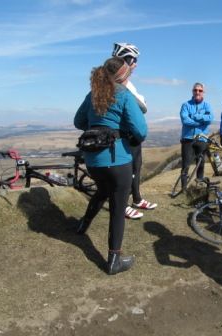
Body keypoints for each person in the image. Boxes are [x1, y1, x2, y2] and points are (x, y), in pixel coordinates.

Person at [74, 57, 147, 275]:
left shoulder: (93, 94)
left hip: (93, 161)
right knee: (117, 208)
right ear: (123, 76)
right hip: (118, 160)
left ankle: (82, 226)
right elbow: (141, 131)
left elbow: (78, 122)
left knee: (102, 191)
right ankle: (114, 259)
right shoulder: (124, 94)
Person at [112, 42, 157, 220]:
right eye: (134, 60)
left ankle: (137, 199)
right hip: (124, 134)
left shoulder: (129, 84)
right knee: (126, 171)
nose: (136, 64)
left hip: (133, 135)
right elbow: (143, 106)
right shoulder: (121, 84)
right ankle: (122, 205)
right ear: (126, 60)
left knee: (136, 168)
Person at [179, 83, 214, 189]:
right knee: (186, 165)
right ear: (192, 91)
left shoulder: (207, 105)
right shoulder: (186, 105)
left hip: (202, 138)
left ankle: (199, 186)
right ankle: (183, 189)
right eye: (195, 90)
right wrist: (200, 122)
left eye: (200, 90)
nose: (197, 92)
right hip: (187, 139)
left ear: (203, 92)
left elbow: (210, 118)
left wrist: (194, 116)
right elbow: (185, 120)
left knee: (201, 164)